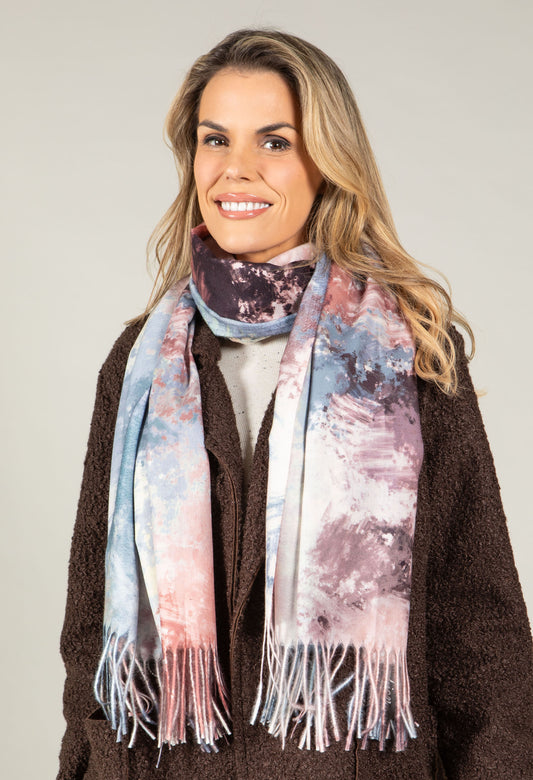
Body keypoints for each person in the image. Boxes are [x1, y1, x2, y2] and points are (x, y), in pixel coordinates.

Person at [57, 28, 533, 780]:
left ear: (326, 164)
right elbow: (92, 630)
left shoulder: (407, 353)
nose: (235, 168)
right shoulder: (142, 365)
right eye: (216, 139)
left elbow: (478, 629)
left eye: (274, 142)